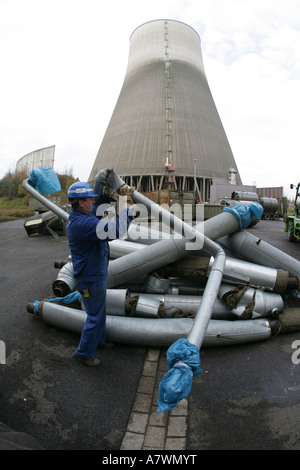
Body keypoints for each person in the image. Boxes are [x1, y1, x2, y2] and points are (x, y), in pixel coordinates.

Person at [67, 181, 133, 367]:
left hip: (94, 274)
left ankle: (99, 341)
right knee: (95, 316)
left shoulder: (81, 215)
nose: (93, 203)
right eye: (90, 200)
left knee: (100, 312)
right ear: (81, 203)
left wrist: (105, 196)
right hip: (90, 278)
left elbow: (96, 210)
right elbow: (115, 230)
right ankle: (84, 353)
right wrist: (126, 209)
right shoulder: (83, 223)